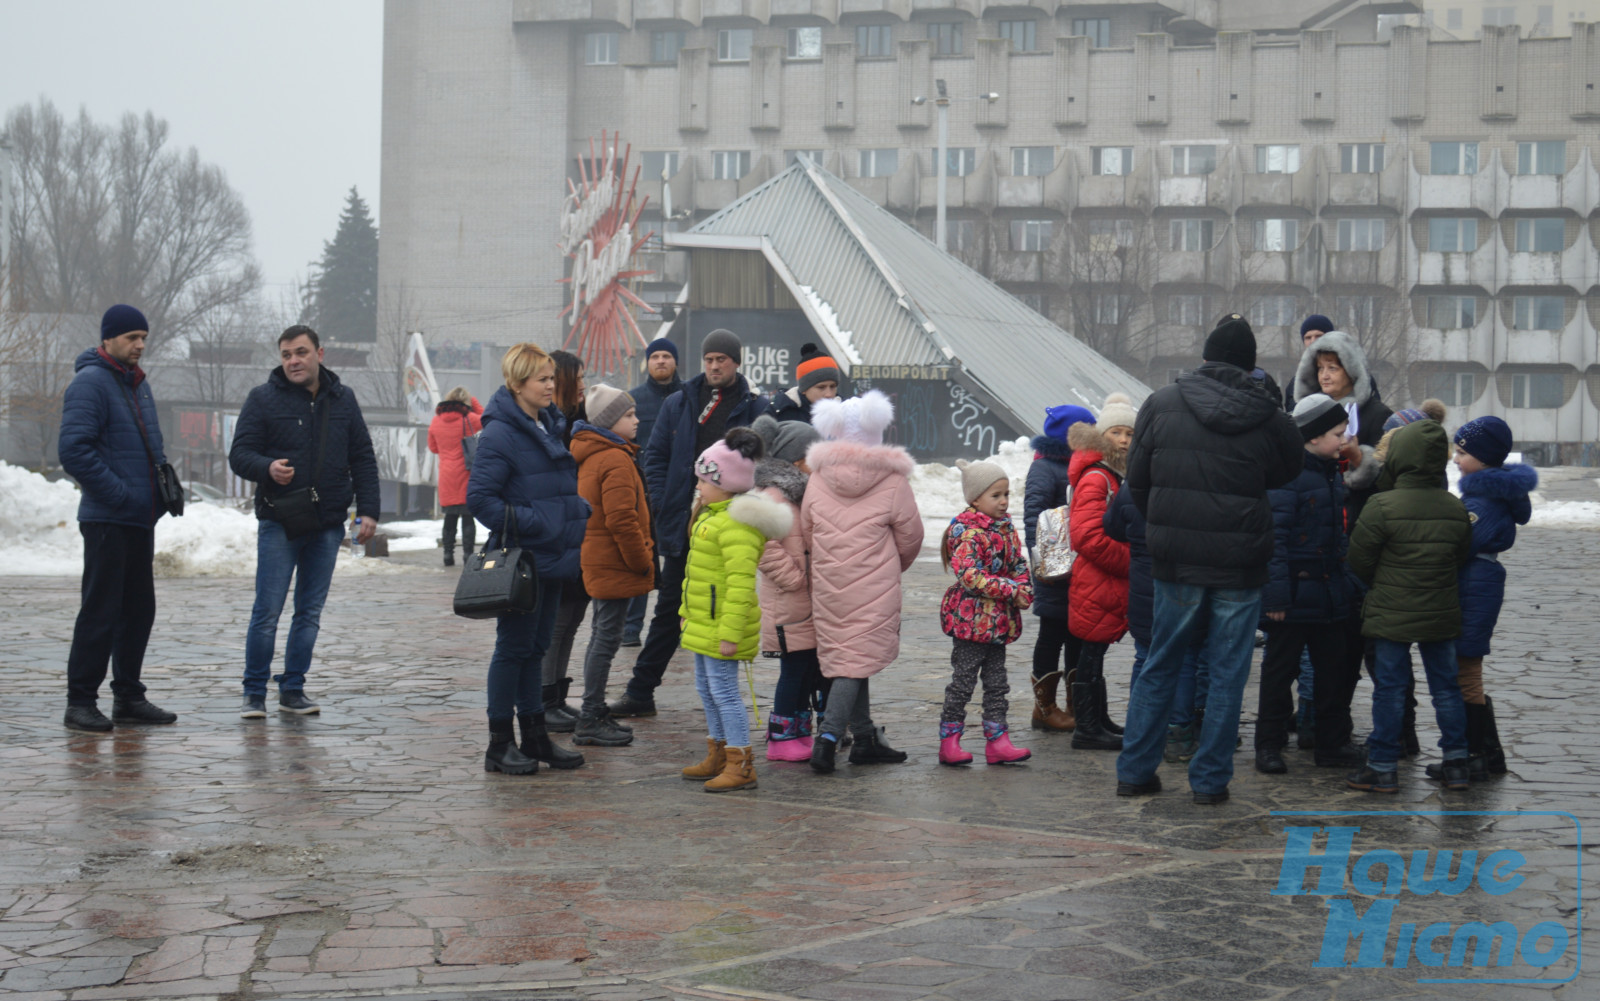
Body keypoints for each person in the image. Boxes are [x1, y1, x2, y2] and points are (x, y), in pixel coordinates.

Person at [1115, 314, 1302, 805]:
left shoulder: (1161, 403)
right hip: (1240, 562)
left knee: (1160, 662)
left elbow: (1137, 477)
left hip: (1176, 559)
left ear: (1205, 356)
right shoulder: (1269, 416)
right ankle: (1210, 780)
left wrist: (1167, 520)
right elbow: (1286, 472)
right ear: (1251, 364)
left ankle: (1135, 770)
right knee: (1228, 671)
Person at [610, 329, 770, 717]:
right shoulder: (680, 402)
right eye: (710, 359)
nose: (715, 366)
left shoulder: (755, 407)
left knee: (729, 605)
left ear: (736, 362)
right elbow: (657, 456)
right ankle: (640, 691)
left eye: (722, 360)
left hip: (731, 527)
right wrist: (663, 503)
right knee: (670, 607)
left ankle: (728, 702)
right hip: (684, 521)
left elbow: (765, 465)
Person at [230, 325, 381, 719]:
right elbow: (240, 454)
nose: (293, 361)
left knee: (309, 613)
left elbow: (362, 456)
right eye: (285, 355)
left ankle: (293, 688)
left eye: (300, 352)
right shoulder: (262, 399)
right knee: (267, 611)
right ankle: (253, 692)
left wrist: (369, 510)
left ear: (320, 353)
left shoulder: (343, 399)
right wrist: (267, 467)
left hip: (328, 523)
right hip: (280, 520)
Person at [466, 343, 589, 774]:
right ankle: (500, 744)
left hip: (552, 556)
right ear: (518, 384)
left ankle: (535, 736)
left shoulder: (547, 426)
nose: (551, 385)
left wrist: (571, 514)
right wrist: (536, 521)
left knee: (535, 648)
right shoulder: (502, 432)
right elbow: (480, 499)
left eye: (552, 378)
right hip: (524, 559)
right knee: (513, 649)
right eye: (542, 378)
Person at [58, 305, 180, 732]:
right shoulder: (91, 382)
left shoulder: (135, 384)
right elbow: (74, 451)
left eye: (143, 337)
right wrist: (122, 494)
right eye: (131, 337)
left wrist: (163, 487)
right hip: (108, 518)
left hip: (136, 519)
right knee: (101, 610)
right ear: (108, 339)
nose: (140, 345)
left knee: (137, 610)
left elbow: (148, 447)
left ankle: (128, 696)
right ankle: (80, 702)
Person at [1345, 419, 1473, 793]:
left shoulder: (1382, 505)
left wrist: (1383, 582)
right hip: (1440, 610)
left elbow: (1359, 560)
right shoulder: (1454, 508)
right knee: (1447, 688)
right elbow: (1460, 556)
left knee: (1390, 688)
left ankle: (1383, 765)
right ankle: (1456, 763)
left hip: (1390, 611)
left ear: (1400, 457)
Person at [801, 391, 924, 773]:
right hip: (875, 586)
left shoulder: (818, 478)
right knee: (855, 661)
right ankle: (828, 738)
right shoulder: (892, 480)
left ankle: (866, 738)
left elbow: (807, 530)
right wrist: (887, 567)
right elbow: (912, 536)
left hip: (828, 584)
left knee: (850, 657)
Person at [1253, 394, 1364, 776]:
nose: (1344, 438)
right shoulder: (1288, 478)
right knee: (1279, 674)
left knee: (1333, 671)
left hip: (1329, 591)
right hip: (1294, 595)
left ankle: (1331, 743)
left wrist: (1347, 582)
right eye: (1337, 432)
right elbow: (1274, 540)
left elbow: (1338, 536)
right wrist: (1277, 596)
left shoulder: (1329, 474)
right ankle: (1268, 745)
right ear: (1314, 437)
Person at [678, 428, 792, 792]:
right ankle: (718, 752)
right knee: (706, 688)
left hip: (722, 627)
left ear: (726, 483)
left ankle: (740, 762)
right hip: (702, 621)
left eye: (704, 481)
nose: (699, 487)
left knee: (724, 692)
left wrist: (730, 632)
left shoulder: (737, 524)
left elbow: (741, 586)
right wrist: (685, 609)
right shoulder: (712, 517)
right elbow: (696, 574)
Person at [1424, 416, 1532, 781]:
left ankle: (1476, 753)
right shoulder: (1485, 492)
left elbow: (1461, 544)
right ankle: (1486, 753)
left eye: (1462, 452)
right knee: (1467, 671)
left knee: (1465, 670)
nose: (1455, 458)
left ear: (1483, 459)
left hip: (1474, 585)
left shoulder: (1482, 500)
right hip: (1477, 583)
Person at [570, 385, 653, 747]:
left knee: (601, 637)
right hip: (615, 562)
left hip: (601, 559)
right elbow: (622, 520)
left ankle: (593, 710)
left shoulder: (596, 454)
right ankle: (590, 716)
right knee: (606, 639)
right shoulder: (614, 458)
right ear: (609, 421)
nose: (637, 420)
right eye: (629, 415)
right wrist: (643, 560)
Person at [936, 460, 1033, 766]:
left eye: (1007, 494)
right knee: (963, 682)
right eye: (996, 495)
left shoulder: (1005, 529)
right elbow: (970, 576)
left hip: (998, 622)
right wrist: (1009, 589)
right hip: (971, 621)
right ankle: (949, 741)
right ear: (975, 499)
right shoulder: (967, 533)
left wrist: (1024, 587)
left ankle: (997, 740)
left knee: (997, 683)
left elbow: (1017, 563)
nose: (1004, 501)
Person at [750, 414, 826, 761]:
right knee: (793, 671)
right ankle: (780, 738)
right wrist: (795, 577)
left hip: (805, 604)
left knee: (808, 667)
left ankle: (798, 731)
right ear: (797, 461)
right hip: (787, 602)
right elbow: (762, 546)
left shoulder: (799, 494)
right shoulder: (773, 496)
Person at [1066, 395, 1137, 751]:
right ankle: (1087, 727)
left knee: (1095, 652)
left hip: (1104, 580)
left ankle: (1098, 719)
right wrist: (1132, 559)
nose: (1124, 440)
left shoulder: (1115, 474)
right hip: (1098, 579)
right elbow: (1087, 536)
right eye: (1116, 432)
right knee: (1090, 652)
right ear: (1101, 435)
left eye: (1129, 433)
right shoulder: (1098, 477)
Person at [1023, 404, 1095, 733]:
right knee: (1052, 635)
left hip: (1081, 568)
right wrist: (1044, 564)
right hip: (1054, 571)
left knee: (1077, 635)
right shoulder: (1045, 468)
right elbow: (1033, 517)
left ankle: (1075, 705)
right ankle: (1045, 709)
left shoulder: (1082, 466)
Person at [1288, 330, 1393, 527]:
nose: (1324, 376)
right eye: (1320, 369)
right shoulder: (1308, 412)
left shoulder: (1378, 415)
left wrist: (1358, 457)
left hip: (1360, 518)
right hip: (1314, 516)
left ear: (1352, 371)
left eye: (1333, 368)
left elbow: (1388, 478)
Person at [540, 352, 591, 730]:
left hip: (578, 534)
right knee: (557, 623)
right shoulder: (552, 427)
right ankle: (545, 699)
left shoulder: (579, 420)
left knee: (571, 619)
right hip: (557, 536)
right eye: (580, 377)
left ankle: (557, 695)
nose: (585, 384)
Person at [622, 337, 684, 647]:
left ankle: (682, 624)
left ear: (675, 361)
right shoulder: (632, 401)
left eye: (666, 356)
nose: (660, 361)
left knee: (683, 562)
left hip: (683, 494)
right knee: (641, 560)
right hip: (641, 494)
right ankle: (631, 629)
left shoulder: (691, 398)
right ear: (648, 362)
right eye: (655, 356)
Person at [427, 386, 482, 567]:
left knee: (449, 518)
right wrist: (473, 401)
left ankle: (448, 555)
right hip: (466, 473)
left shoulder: (435, 422)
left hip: (446, 475)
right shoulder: (470, 419)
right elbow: (488, 419)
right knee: (467, 517)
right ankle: (467, 555)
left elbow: (433, 448)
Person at [769, 343, 841, 424]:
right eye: (821, 387)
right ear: (804, 389)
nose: (828, 394)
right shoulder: (780, 410)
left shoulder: (845, 412)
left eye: (832, 386)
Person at [1283, 315, 1333, 410]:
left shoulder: (1343, 375)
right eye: (1308, 338)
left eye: (1318, 336)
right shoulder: (1296, 383)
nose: (1313, 341)